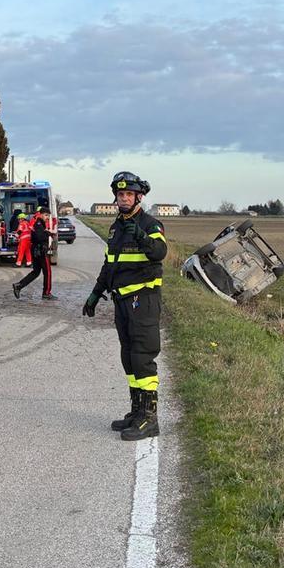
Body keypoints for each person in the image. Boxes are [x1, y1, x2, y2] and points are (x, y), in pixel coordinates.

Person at [83, 171, 167, 441]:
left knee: (142, 356)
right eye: (120, 194)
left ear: (138, 197)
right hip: (121, 300)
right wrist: (96, 293)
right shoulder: (116, 227)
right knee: (129, 357)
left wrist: (141, 235)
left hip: (143, 299)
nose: (124, 198)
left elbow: (159, 253)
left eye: (129, 194)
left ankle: (150, 419)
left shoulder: (151, 224)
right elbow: (110, 264)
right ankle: (137, 411)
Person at [11, 214, 57, 300]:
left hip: (35, 249)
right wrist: (48, 233)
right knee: (47, 272)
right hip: (41, 251)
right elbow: (39, 237)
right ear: (42, 214)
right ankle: (46, 293)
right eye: (46, 215)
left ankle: (19, 285)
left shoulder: (35, 222)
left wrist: (48, 233)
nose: (47, 217)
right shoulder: (38, 224)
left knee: (36, 272)